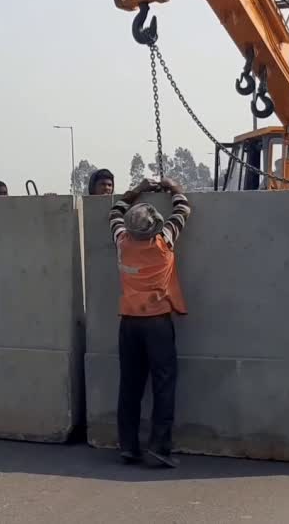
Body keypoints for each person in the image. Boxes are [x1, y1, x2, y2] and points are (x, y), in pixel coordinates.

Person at [109, 177, 191, 468]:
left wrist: (137, 191)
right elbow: (182, 209)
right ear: (155, 226)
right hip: (156, 321)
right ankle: (159, 446)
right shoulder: (163, 242)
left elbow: (114, 212)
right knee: (163, 383)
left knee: (129, 385)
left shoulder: (122, 241)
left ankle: (128, 446)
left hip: (129, 322)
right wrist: (171, 188)